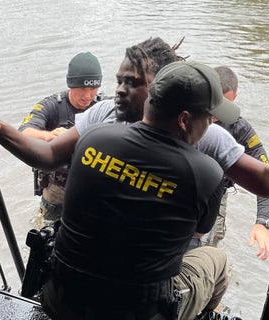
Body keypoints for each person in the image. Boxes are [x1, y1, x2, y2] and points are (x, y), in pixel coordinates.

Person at [0, 37, 269, 261]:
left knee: (208, 256)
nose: (120, 91)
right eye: (121, 81)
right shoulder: (105, 116)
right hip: (117, 267)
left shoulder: (207, 136)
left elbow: (267, 180)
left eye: (133, 83)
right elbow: (47, 155)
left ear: (164, 86)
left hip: (151, 262)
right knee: (213, 260)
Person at [41, 60, 238, 320]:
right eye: (210, 120)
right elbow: (197, 232)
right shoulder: (208, 173)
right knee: (216, 259)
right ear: (184, 119)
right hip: (142, 312)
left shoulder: (93, 138)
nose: (210, 127)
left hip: (59, 299)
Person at [18, 52, 107, 227]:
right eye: (82, 88)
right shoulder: (51, 106)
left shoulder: (104, 107)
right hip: (57, 190)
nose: (88, 96)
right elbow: (23, 132)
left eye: (93, 89)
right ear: (71, 85)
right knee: (48, 236)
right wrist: (48, 136)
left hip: (92, 187)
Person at [200, 66, 269, 250]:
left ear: (235, 99)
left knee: (212, 241)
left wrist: (262, 221)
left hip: (217, 193)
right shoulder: (186, 115)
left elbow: (266, 173)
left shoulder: (240, 128)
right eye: (214, 104)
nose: (216, 113)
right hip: (184, 187)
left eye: (225, 105)